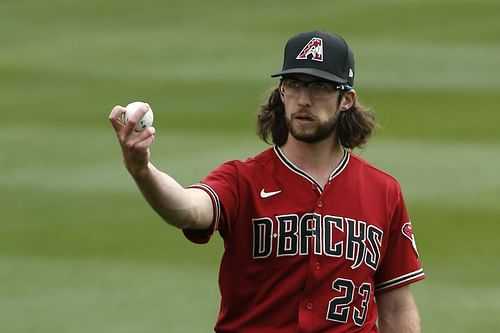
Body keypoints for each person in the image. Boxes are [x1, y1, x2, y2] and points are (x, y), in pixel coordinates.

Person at [109, 30, 425, 333]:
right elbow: (188, 209)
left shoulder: (383, 190)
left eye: (319, 87)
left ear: (347, 99)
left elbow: (397, 307)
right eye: (294, 84)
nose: (304, 99)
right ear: (281, 92)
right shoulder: (241, 179)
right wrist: (142, 170)